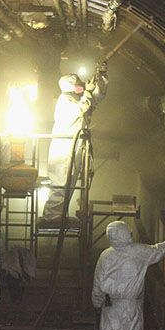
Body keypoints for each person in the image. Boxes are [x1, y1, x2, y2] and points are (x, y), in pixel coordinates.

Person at [41, 62, 107, 224]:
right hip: (63, 151)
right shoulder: (66, 100)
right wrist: (87, 93)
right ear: (71, 87)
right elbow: (80, 109)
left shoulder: (78, 97)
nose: (81, 87)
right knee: (61, 184)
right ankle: (52, 217)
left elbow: (96, 97)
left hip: (74, 148)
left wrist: (101, 76)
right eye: (78, 85)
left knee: (68, 184)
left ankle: (59, 216)